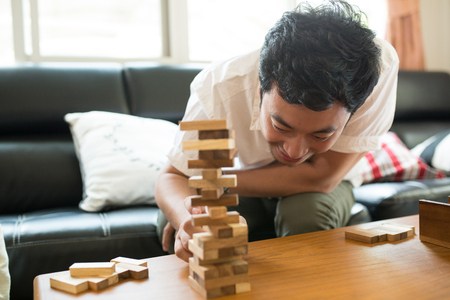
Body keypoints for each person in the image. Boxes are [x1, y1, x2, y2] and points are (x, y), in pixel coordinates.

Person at [155, 0, 399, 262]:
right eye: (281, 126)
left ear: (355, 109)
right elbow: (174, 176)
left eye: (321, 135)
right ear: (261, 93)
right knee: (173, 222)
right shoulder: (221, 89)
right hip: (246, 182)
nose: (294, 151)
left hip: (322, 188)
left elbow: (323, 177)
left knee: (305, 215)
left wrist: (215, 184)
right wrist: (187, 221)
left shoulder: (375, 73)